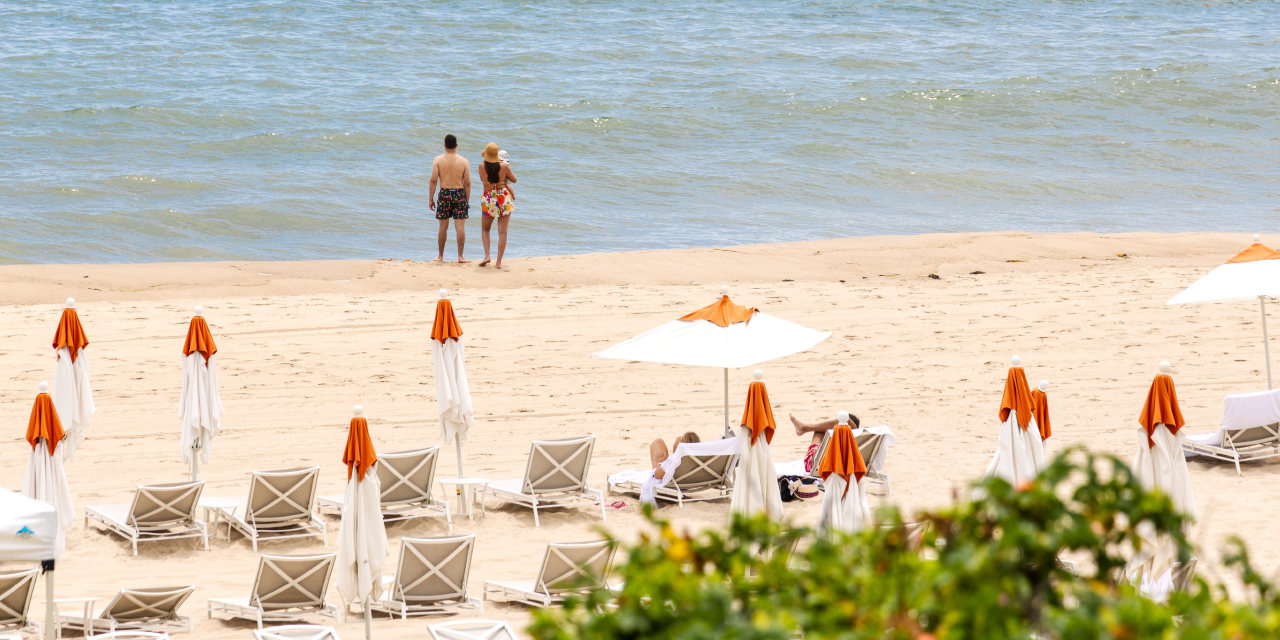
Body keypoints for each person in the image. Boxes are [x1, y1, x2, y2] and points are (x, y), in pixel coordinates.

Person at [430, 134, 471, 263]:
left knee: (443, 226)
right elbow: (468, 183)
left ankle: (440, 256)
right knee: (460, 226)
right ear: (456, 145)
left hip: (444, 194)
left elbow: (433, 180)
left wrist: (430, 198)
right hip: (459, 194)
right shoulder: (464, 161)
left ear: (445, 146)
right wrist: (466, 200)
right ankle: (460, 256)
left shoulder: (438, 160)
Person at [478, 142, 516, 269]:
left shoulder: (481, 166)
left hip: (489, 198)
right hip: (503, 198)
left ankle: (487, 256)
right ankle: (498, 262)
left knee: (485, 229)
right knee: (503, 232)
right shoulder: (504, 166)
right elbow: (514, 180)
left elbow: (483, 180)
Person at [790, 412, 860, 473]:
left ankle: (803, 428)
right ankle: (803, 428)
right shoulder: (860, 441)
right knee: (821, 430)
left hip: (818, 464)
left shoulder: (849, 434)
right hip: (829, 462)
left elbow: (846, 419)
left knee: (819, 430)